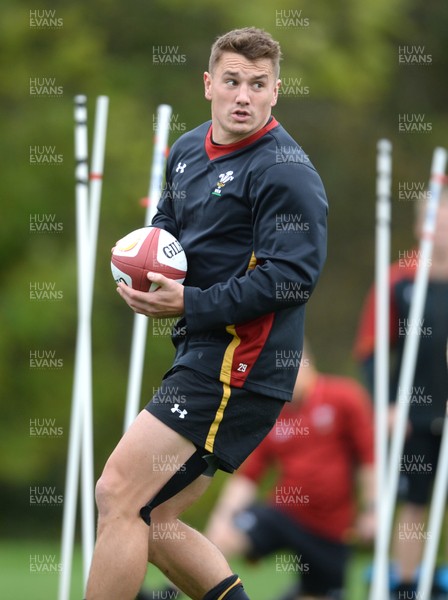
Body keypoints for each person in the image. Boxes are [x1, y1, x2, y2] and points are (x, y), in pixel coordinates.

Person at [85, 27, 328, 600]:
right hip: (202, 352)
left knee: (118, 493)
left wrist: (188, 301)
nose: (243, 95)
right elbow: (169, 226)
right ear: (208, 84)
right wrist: (148, 269)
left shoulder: (285, 171)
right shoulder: (187, 150)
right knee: (158, 521)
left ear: (276, 92)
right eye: (232, 81)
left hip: (241, 366)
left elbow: (293, 279)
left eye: (258, 84)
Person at [140, 343, 375, 600]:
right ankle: (166, 595)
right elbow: (250, 477)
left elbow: (369, 460)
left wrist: (373, 510)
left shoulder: (344, 397)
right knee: (225, 533)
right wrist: (223, 516)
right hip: (285, 514)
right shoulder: (273, 413)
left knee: (319, 593)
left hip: (332, 528)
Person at [354, 187, 448, 599]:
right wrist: (387, 405)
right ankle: (406, 587)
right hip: (414, 418)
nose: (440, 230)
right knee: (414, 507)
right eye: (433, 221)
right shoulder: (399, 279)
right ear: (419, 225)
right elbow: (371, 350)